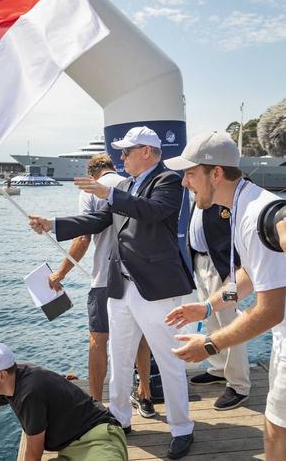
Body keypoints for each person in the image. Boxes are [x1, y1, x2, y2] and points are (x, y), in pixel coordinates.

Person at [29, 126, 195, 459]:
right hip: (120, 287)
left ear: (147, 151)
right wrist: (53, 224)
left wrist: (110, 195)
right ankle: (120, 418)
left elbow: (151, 211)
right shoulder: (127, 186)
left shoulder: (169, 181)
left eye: (127, 152)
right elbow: (99, 220)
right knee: (120, 358)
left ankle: (181, 428)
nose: (121, 158)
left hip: (156, 290)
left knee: (169, 360)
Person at [164, 131, 286, 460]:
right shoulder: (240, 205)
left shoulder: (261, 212)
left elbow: (272, 310)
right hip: (281, 337)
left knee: (277, 431)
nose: (185, 183)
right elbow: (247, 274)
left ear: (215, 173)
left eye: (190, 173)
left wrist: (208, 345)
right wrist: (206, 307)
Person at [47, 153, 155, 417]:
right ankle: (145, 394)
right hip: (137, 274)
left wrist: (60, 273)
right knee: (141, 337)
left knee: (98, 339)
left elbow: (84, 236)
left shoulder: (93, 190)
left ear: (92, 173)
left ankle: (95, 402)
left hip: (106, 276)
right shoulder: (132, 183)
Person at [187, 202, 251, 409]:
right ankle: (220, 368)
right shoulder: (199, 194)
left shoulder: (225, 195)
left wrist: (237, 266)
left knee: (230, 324)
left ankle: (239, 384)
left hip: (223, 265)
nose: (186, 179)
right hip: (201, 261)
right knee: (211, 320)